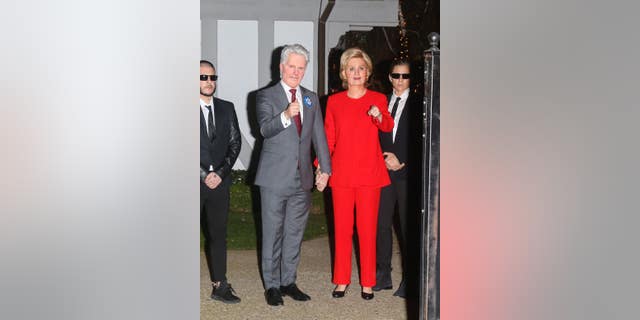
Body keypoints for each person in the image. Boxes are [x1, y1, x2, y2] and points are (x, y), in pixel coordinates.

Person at [254, 44, 331, 306]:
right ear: (281, 67)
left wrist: (326, 169)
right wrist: (286, 115)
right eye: (292, 66)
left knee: (294, 233)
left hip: (303, 178)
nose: (296, 72)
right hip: (274, 179)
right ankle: (272, 285)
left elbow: (319, 135)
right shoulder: (265, 96)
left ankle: (288, 281)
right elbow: (264, 129)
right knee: (272, 233)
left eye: (301, 67)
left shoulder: (310, 97)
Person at [324, 48, 393, 300]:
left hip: (369, 176)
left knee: (367, 230)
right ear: (344, 73)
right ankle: (341, 280)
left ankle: (368, 282)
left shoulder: (378, 99)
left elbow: (387, 124)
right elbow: (328, 137)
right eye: (351, 68)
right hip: (341, 175)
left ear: (368, 73)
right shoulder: (334, 101)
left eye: (361, 68)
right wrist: (321, 166)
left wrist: (378, 115)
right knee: (342, 230)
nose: (356, 73)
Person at [374, 60, 422, 298]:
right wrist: (383, 158)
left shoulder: (419, 105)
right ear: (390, 78)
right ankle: (382, 276)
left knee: (406, 229)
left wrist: (402, 160)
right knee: (380, 226)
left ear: (411, 79)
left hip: (406, 175)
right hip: (382, 174)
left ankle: (410, 281)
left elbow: (423, 140)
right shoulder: (381, 102)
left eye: (406, 76)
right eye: (397, 75)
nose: (401, 80)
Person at [199, 60, 242, 304]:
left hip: (220, 183)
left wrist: (222, 172)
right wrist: (205, 175)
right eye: (203, 77)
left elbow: (235, 143)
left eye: (212, 77)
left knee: (218, 234)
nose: (209, 82)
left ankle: (220, 285)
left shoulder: (227, 108)